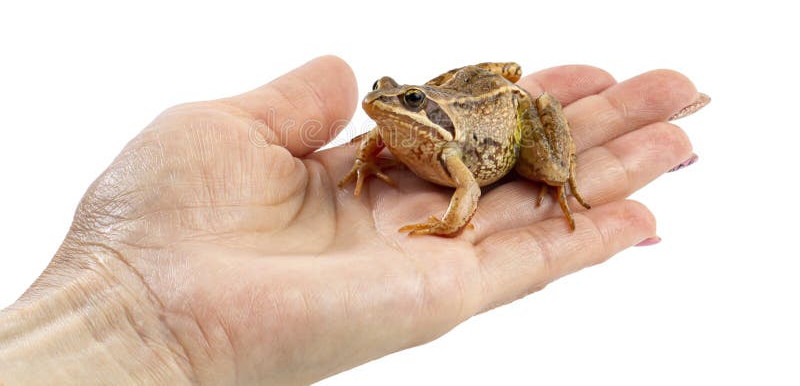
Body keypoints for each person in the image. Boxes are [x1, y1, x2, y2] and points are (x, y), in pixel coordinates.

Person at [0, 56, 706, 384]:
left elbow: (465, 194)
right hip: (465, 108)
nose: (384, 111)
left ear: (426, 115)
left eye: (403, 106)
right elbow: (375, 139)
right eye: (386, 100)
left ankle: (567, 175)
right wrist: (369, 162)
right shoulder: (396, 133)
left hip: (495, 132)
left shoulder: (446, 143)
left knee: (549, 172)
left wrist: (446, 225)